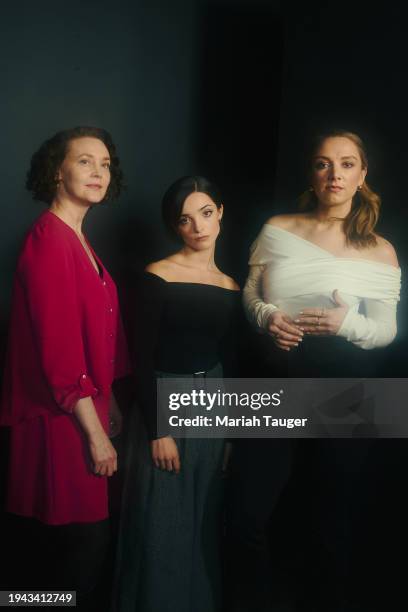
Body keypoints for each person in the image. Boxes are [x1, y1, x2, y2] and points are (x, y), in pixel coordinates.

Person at [227, 130, 401, 611]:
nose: (334, 174)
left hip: (347, 390)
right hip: (273, 382)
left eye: (347, 164)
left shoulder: (381, 251)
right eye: (324, 164)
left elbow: (385, 332)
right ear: (313, 172)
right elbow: (250, 293)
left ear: (362, 175)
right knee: (246, 514)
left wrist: (348, 323)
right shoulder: (278, 227)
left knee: (331, 523)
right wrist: (265, 317)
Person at [0, 126, 130, 605]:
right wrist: (95, 432)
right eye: (84, 161)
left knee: (80, 552)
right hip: (60, 421)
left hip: (84, 409)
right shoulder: (49, 241)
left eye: (105, 164)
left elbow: (97, 333)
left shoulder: (77, 238)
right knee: (73, 554)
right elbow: (58, 351)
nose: (98, 172)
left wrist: (110, 396)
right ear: (58, 170)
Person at [113, 176, 241, 612]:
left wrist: (230, 434)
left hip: (213, 402)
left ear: (220, 212)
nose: (199, 227)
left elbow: (232, 360)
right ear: (175, 227)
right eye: (185, 220)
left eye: (206, 213)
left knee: (202, 521)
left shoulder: (231, 286)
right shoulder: (158, 275)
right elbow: (141, 358)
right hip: (163, 402)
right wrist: (156, 430)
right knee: (159, 522)